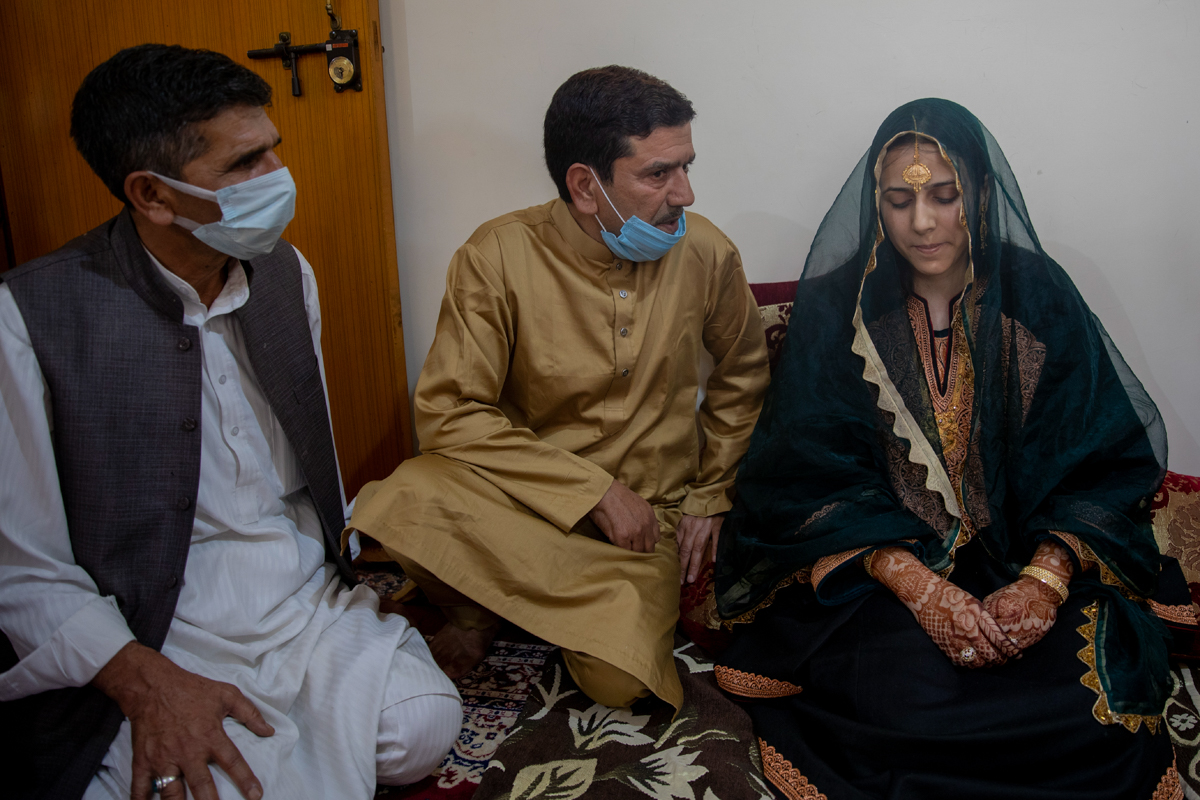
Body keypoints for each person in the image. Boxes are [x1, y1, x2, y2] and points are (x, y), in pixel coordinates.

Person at [0, 44, 461, 800]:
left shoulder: (286, 272)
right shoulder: (29, 317)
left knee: (419, 729)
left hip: (298, 597)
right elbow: (22, 569)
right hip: (154, 620)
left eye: (273, 149)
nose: (278, 178)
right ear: (151, 193)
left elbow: (307, 480)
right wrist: (144, 681)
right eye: (244, 165)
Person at [713, 98, 1190, 799]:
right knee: (899, 697)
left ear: (984, 191)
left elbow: (1103, 457)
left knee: (1097, 713)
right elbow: (807, 470)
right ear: (876, 204)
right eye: (900, 200)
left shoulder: (1039, 297)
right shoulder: (841, 309)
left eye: (945, 195)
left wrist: (1044, 583)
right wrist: (921, 588)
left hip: (1023, 555)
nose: (924, 222)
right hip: (886, 572)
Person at [347, 65, 770, 711]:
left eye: (685, 166)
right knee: (400, 501)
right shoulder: (496, 256)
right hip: (527, 502)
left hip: (641, 527)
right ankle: (473, 614)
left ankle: (522, 594)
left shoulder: (707, 252)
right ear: (585, 185)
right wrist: (592, 489)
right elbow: (451, 411)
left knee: (620, 685)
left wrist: (712, 494)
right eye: (659, 173)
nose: (684, 192)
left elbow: (743, 372)